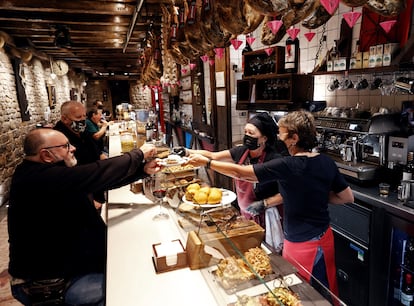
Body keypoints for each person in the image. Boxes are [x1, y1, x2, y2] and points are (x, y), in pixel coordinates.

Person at [188, 110, 354, 302]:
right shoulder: (326, 161)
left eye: (282, 134)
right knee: (322, 292)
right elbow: (347, 197)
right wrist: (316, 197)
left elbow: (242, 173)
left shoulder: (288, 164)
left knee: (302, 295)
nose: (278, 138)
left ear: (294, 138)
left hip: (303, 243)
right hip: (323, 238)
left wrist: (208, 163)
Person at [7, 128, 159, 306]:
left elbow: (97, 181)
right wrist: (138, 154)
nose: (73, 148)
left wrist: (142, 171)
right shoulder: (37, 179)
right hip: (53, 284)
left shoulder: (46, 172)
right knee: (133, 287)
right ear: (46, 155)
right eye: (65, 146)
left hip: (70, 268)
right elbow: (96, 172)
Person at [176, 112, 288, 250]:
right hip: (245, 213)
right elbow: (213, 155)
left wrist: (265, 203)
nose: (247, 136)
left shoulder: (274, 160)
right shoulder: (241, 151)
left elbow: (286, 193)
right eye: (245, 131)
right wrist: (187, 151)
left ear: (264, 138)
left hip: (268, 216)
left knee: (266, 251)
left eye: (251, 133)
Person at [55, 100, 107, 209]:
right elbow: (63, 177)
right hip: (81, 195)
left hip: (95, 182)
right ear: (64, 119)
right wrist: (87, 200)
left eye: (84, 116)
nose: (83, 120)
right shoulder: (57, 138)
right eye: (78, 117)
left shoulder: (82, 131)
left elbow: (94, 149)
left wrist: (101, 156)